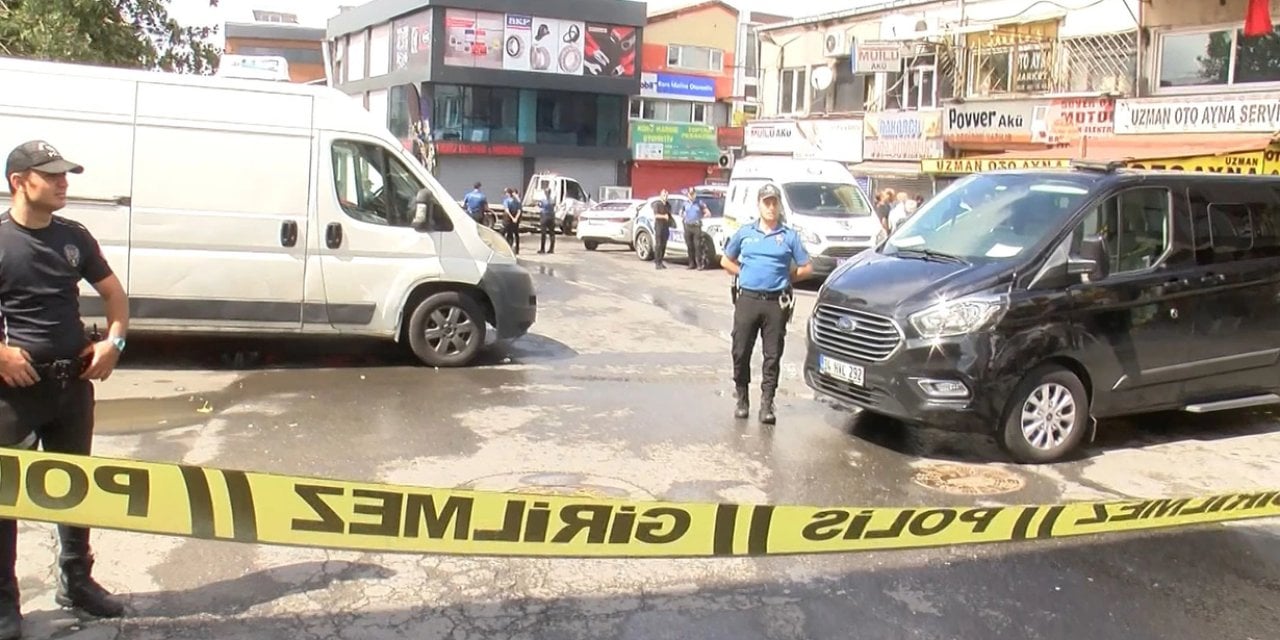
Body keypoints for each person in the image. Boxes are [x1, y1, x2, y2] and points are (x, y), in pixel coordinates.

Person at [0, 140, 131, 638]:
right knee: (6, 495)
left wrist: (113, 344)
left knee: (75, 486)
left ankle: (78, 580)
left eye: (65, 175)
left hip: (71, 384)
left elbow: (115, 296)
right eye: (51, 175)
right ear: (19, 181)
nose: (63, 183)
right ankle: (4, 600)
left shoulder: (74, 237)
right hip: (15, 389)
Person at [720, 183, 812, 425]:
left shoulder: (788, 235)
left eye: (774, 202)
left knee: (772, 356)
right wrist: (745, 272)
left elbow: (806, 267)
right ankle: (742, 398)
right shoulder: (745, 233)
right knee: (740, 351)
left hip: (775, 303)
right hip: (748, 299)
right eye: (766, 202)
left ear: (779, 205)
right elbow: (725, 261)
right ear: (759, 205)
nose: (771, 207)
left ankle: (767, 403)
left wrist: (785, 278)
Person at [681, 188, 708, 270]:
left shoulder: (699, 203)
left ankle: (699, 264)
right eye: (690, 194)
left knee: (697, 246)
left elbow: (707, 213)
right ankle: (691, 263)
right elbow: (681, 212)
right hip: (688, 226)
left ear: (695, 194)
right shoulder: (685, 203)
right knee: (689, 246)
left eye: (693, 194)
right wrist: (683, 217)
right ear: (688, 194)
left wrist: (700, 218)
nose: (691, 195)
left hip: (696, 227)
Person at [651, 189, 673, 269]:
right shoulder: (657, 204)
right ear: (661, 196)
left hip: (666, 227)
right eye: (664, 195)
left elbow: (669, 215)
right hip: (659, 227)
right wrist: (664, 216)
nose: (665, 197)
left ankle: (661, 261)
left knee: (664, 245)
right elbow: (656, 215)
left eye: (667, 195)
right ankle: (657, 262)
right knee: (658, 245)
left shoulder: (668, 205)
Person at [502, 187, 521, 254]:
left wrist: (512, 218)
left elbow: (507, 210)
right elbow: (519, 211)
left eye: (505, 193)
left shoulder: (506, 201)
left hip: (507, 219)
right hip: (514, 220)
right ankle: (514, 249)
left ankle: (505, 248)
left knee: (504, 233)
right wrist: (515, 218)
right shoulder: (516, 201)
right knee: (512, 234)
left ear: (508, 193)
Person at [537, 189, 556, 254]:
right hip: (552, 216)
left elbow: (539, 205)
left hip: (544, 216)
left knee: (543, 233)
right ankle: (551, 249)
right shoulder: (552, 200)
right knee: (552, 233)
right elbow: (554, 206)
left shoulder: (543, 200)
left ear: (545, 193)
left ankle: (542, 249)